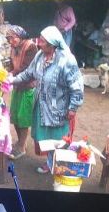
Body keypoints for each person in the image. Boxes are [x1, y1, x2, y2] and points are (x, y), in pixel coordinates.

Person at [12, 26, 84, 173]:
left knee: (58, 137)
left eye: (43, 41)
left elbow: (77, 86)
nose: (39, 43)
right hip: (42, 105)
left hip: (60, 107)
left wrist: (73, 107)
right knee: (46, 137)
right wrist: (11, 80)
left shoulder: (66, 60)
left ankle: (60, 163)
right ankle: (51, 162)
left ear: (52, 43)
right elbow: (28, 74)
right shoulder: (40, 56)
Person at [5, 25, 37, 160]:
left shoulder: (31, 47)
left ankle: (22, 147)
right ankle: (19, 142)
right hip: (17, 85)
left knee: (23, 118)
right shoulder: (14, 48)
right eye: (9, 39)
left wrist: (11, 75)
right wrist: (8, 73)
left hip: (28, 86)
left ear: (20, 35)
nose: (11, 42)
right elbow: (12, 66)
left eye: (12, 38)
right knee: (16, 117)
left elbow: (27, 68)